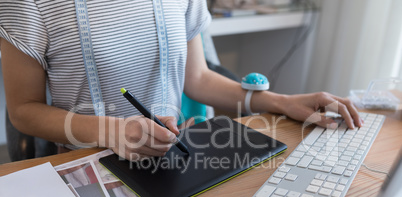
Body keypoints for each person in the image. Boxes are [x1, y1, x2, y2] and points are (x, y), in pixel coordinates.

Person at [0, 0, 362, 161]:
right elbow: (23, 111)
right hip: (88, 168)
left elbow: (199, 79)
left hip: (173, 159)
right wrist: (110, 131)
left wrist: (281, 102)